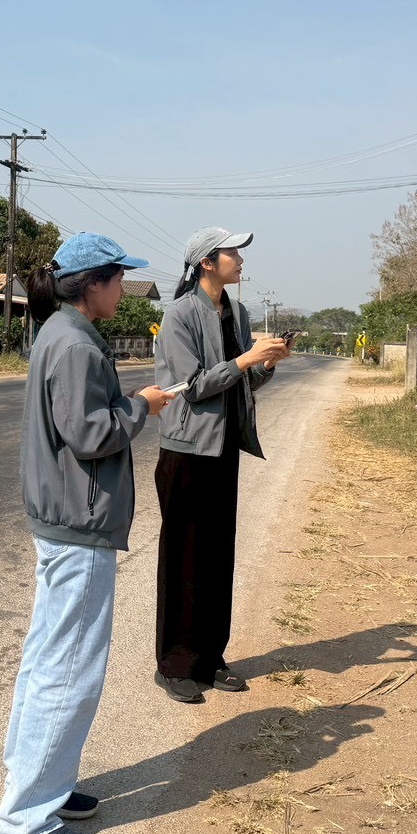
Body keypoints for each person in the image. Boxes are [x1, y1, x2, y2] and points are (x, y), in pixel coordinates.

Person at [0, 232, 174, 834]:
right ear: (92, 283)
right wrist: (142, 405)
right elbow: (90, 433)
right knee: (69, 668)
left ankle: (42, 780)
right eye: (118, 279)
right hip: (79, 520)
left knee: (48, 659)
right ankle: (26, 814)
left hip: (65, 518)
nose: (123, 289)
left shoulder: (62, 333)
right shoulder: (74, 343)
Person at [151, 226, 290, 703]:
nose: (241, 259)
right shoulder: (179, 315)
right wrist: (247, 358)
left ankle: (210, 658)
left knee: (216, 555)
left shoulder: (238, 312)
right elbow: (191, 387)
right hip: (186, 451)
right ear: (206, 262)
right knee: (182, 558)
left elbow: (242, 384)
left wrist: (265, 364)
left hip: (223, 448)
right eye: (233, 252)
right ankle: (174, 665)